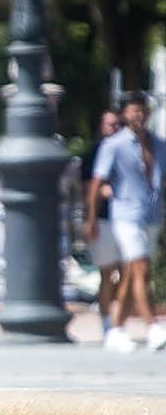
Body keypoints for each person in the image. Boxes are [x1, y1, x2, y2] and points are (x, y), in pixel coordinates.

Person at [86, 91, 166, 352]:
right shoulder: (115, 145)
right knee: (139, 268)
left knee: (134, 273)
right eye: (133, 110)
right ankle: (153, 326)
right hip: (125, 215)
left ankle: (117, 328)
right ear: (125, 114)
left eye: (142, 110)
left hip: (151, 214)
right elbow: (96, 182)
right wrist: (91, 218)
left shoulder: (158, 144)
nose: (139, 115)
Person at [79, 109, 125, 336]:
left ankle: (117, 320)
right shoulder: (94, 153)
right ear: (101, 126)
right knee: (107, 272)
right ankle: (108, 323)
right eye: (110, 124)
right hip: (104, 219)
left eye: (117, 124)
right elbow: (85, 188)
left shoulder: (129, 150)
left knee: (132, 273)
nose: (114, 129)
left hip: (127, 218)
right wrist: (91, 219)